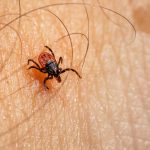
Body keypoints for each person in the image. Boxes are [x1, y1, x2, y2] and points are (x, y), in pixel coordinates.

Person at [0, 0, 149, 149]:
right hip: (47, 61)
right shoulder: (51, 70)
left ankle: (39, 62)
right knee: (41, 70)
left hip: (47, 61)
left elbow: (48, 71)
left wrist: (48, 68)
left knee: (43, 70)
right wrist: (43, 71)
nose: (58, 76)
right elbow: (46, 72)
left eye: (57, 74)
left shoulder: (51, 70)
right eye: (57, 75)